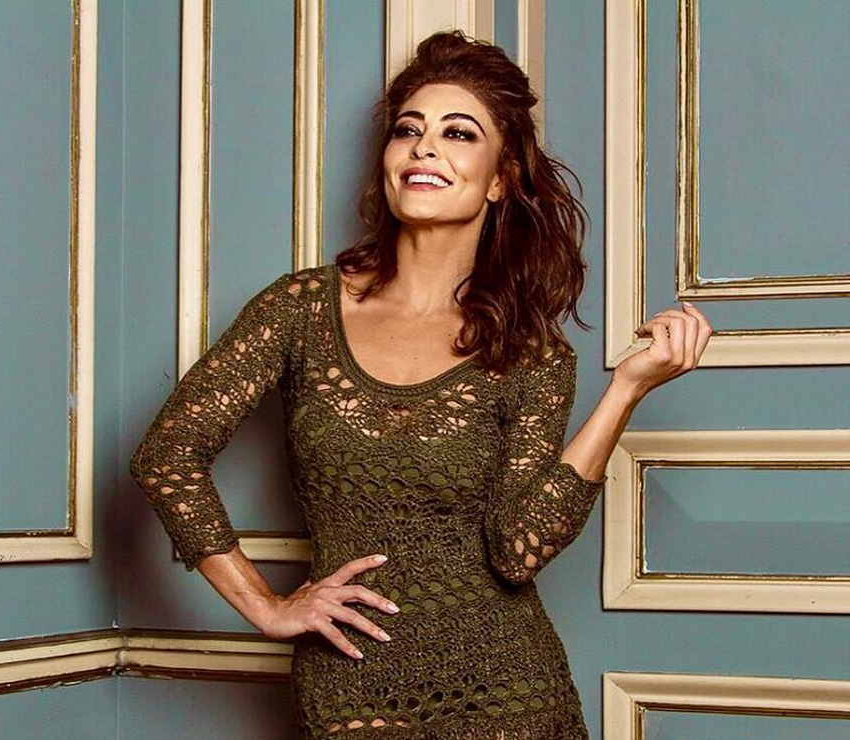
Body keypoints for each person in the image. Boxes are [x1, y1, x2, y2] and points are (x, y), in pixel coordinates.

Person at [128, 29, 711, 739]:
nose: (424, 147)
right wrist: (265, 605)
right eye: (409, 130)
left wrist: (625, 391)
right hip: (352, 684)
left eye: (458, 133)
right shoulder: (299, 309)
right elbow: (167, 457)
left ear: (499, 179)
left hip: (507, 694)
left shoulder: (528, 351)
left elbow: (518, 550)